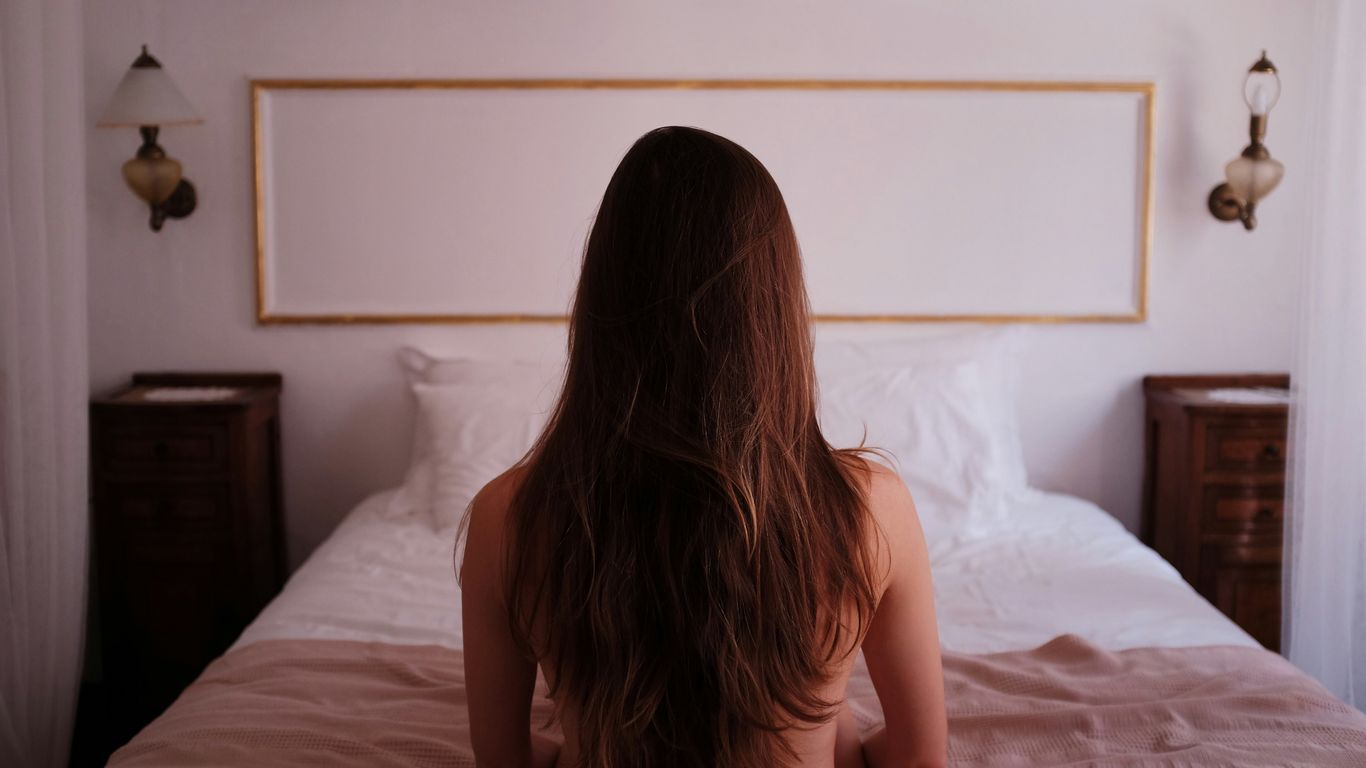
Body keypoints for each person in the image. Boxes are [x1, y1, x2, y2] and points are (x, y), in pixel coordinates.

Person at [459, 126, 946, 768]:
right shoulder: (870, 509)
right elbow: (921, 758)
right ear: (773, 305)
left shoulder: (509, 518)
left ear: (602, 296)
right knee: (841, 723)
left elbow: (502, 763)